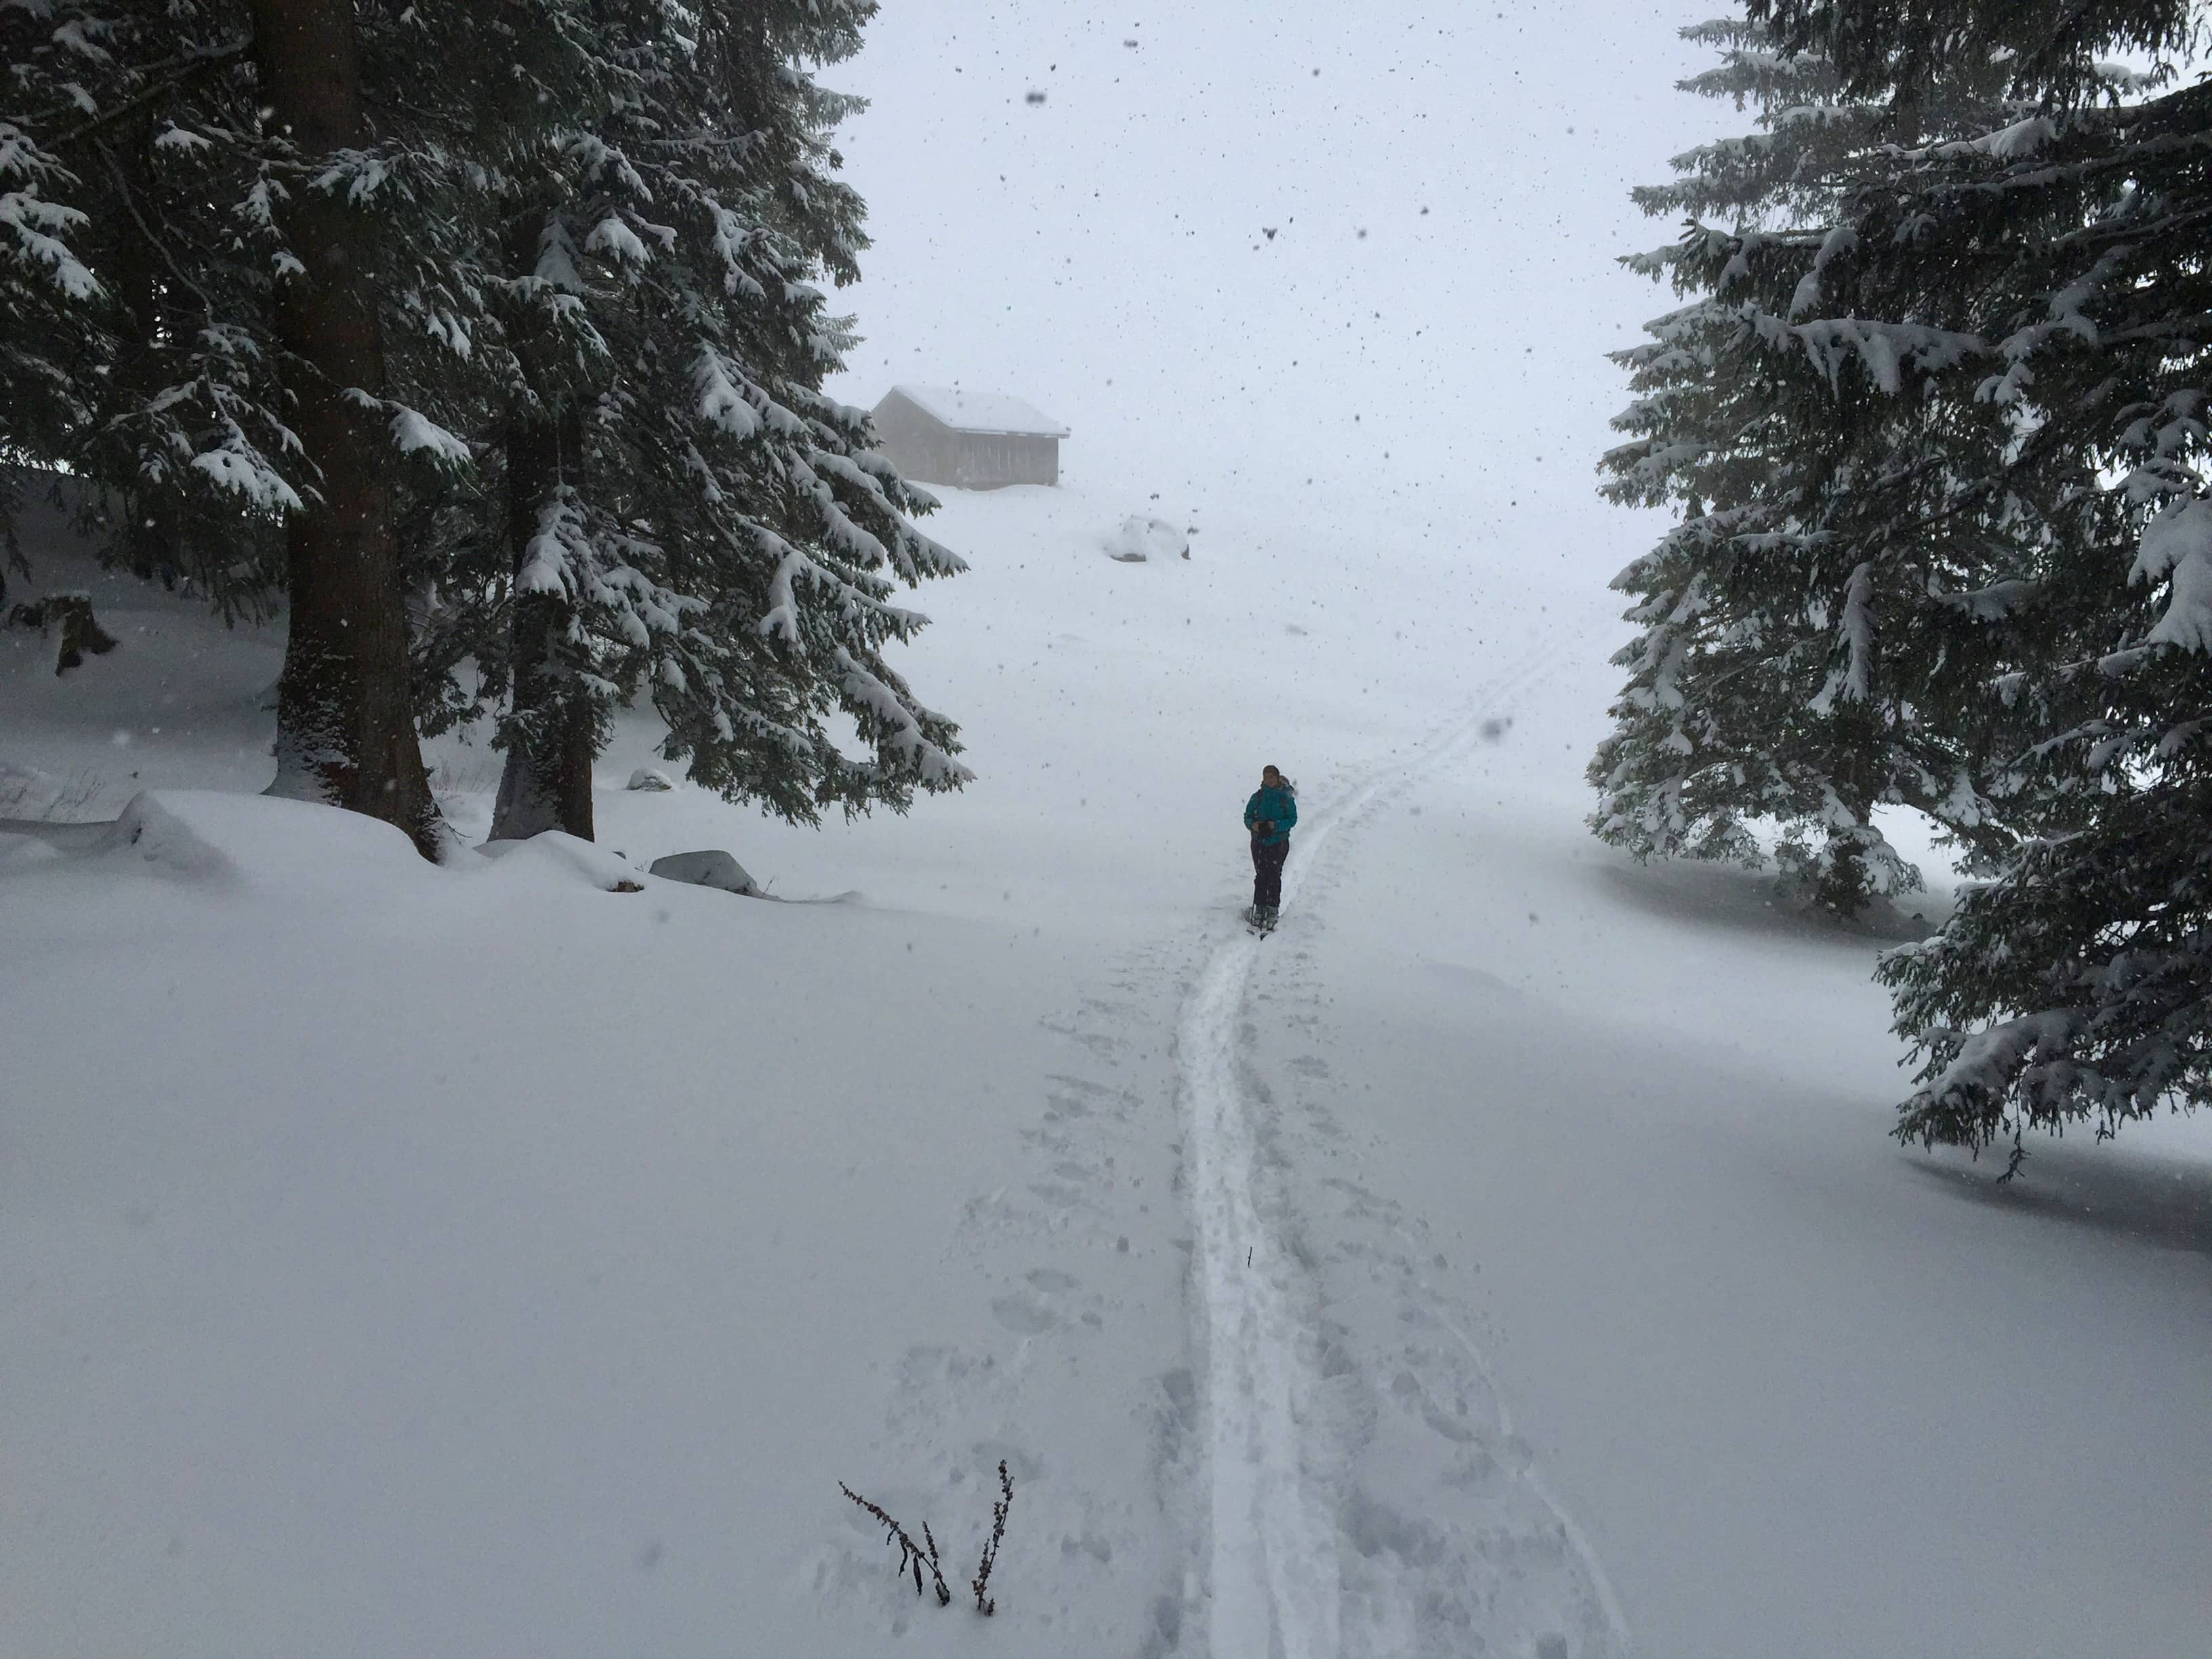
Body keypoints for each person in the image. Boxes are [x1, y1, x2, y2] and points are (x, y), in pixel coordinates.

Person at [1243, 764, 1297, 926]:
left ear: (1277, 778)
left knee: (1274, 875)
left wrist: (1276, 826)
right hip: (1259, 841)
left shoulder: (1286, 798)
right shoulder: (1258, 797)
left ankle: (1272, 908)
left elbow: (1292, 819)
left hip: (1278, 842)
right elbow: (1247, 816)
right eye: (1266, 778)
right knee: (1261, 875)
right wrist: (1254, 826)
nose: (1269, 781)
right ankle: (1259, 907)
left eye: (1272, 777)